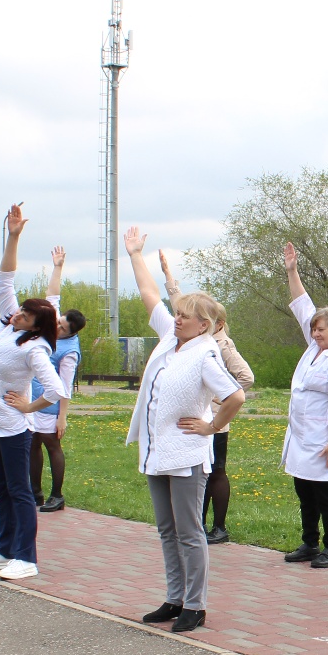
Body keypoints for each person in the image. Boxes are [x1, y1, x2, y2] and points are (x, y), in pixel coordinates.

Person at [123, 227, 246, 633]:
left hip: (187, 454)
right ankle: (174, 598)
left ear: (204, 324)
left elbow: (234, 396)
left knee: (190, 531)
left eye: (184, 315)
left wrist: (211, 427)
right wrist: (135, 255)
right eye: (176, 314)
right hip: (158, 452)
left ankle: (196, 604)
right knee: (166, 529)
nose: (176, 319)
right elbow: (148, 296)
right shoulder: (168, 340)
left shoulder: (205, 353)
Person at [0, 205, 67, 581]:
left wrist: (29, 405)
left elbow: (56, 390)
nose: (15, 313)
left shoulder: (34, 347)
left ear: (36, 324)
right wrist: (14, 236)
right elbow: (3, 281)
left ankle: (26, 557)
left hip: (12, 425)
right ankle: (4, 549)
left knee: (20, 491)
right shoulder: (10, 324)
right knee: (0, 490)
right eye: (17, 311)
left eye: (23, 313)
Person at [161, 251, 255, 543]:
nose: (182, 319)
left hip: (215, 422)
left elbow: (246, 378)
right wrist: (168, 276)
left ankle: (219, 527)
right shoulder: (195, 339)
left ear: (217, 324)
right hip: (197, 421)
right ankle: (196, 523)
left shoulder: (222, 346)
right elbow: (180, 304)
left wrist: (216, 399)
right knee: (199, 474)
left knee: (216, 473)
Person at [280, 242, 328, 567]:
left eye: (321, 329)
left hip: (323, 437)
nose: (315, 333)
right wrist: (292, 270)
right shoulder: (313, 349)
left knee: (325, 493)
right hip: (300, 435)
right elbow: (302, 304)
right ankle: (309, 543)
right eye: (313, 329)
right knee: (303, 491)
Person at [32, 245, 86, 513]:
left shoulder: (69, 353)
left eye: (63, 328)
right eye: (58, 322)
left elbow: (65, 387)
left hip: (50, 404)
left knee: (51, 444)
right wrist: (57, 267)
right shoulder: (51, 322)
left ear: (71, 332)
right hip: (31, 398)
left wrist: (62, 417)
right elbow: (51, 295)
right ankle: (35, 492)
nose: (57, 326)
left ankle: (57, 495)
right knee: (31, 444)